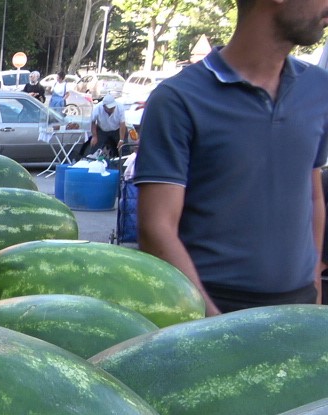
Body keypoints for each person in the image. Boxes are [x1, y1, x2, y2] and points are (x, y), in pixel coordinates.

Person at [134, 0, 328, 315]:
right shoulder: (178, 99)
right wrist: (212, 324)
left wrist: (314, 289)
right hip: (212, 310)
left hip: (299, 309)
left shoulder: (319, 89)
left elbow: (313, 195)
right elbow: (156, 228)